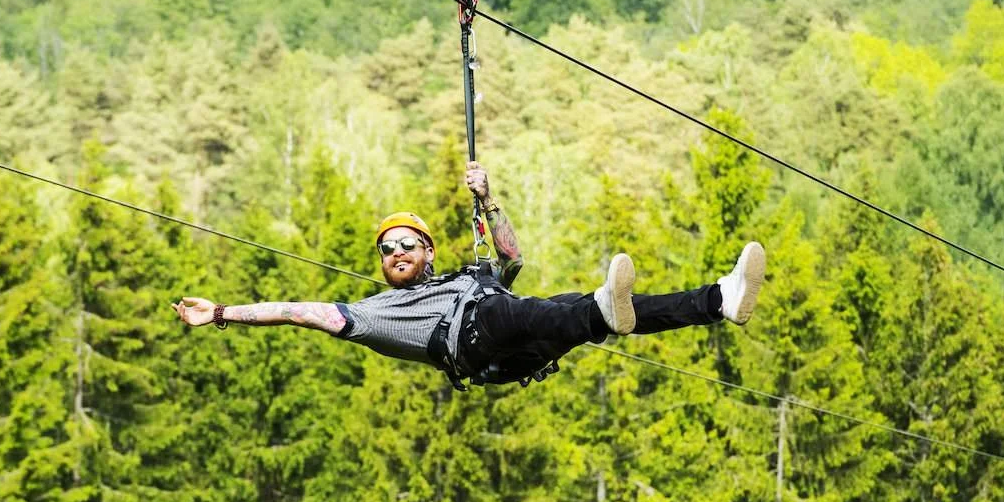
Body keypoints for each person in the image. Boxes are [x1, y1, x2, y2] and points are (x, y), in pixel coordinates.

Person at [174, 162, 765, 388]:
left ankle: (719, 299)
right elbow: (302, 313)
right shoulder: (378, 313)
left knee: (575, 307)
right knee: (531, 308)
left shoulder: (462, 276)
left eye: (407, 244)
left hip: (515, 345)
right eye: (386, 250)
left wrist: (489, 198)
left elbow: (510, 256)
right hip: (480, 343)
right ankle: (598, 314)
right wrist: (223, 312)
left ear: (428, 252)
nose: (395, 253)